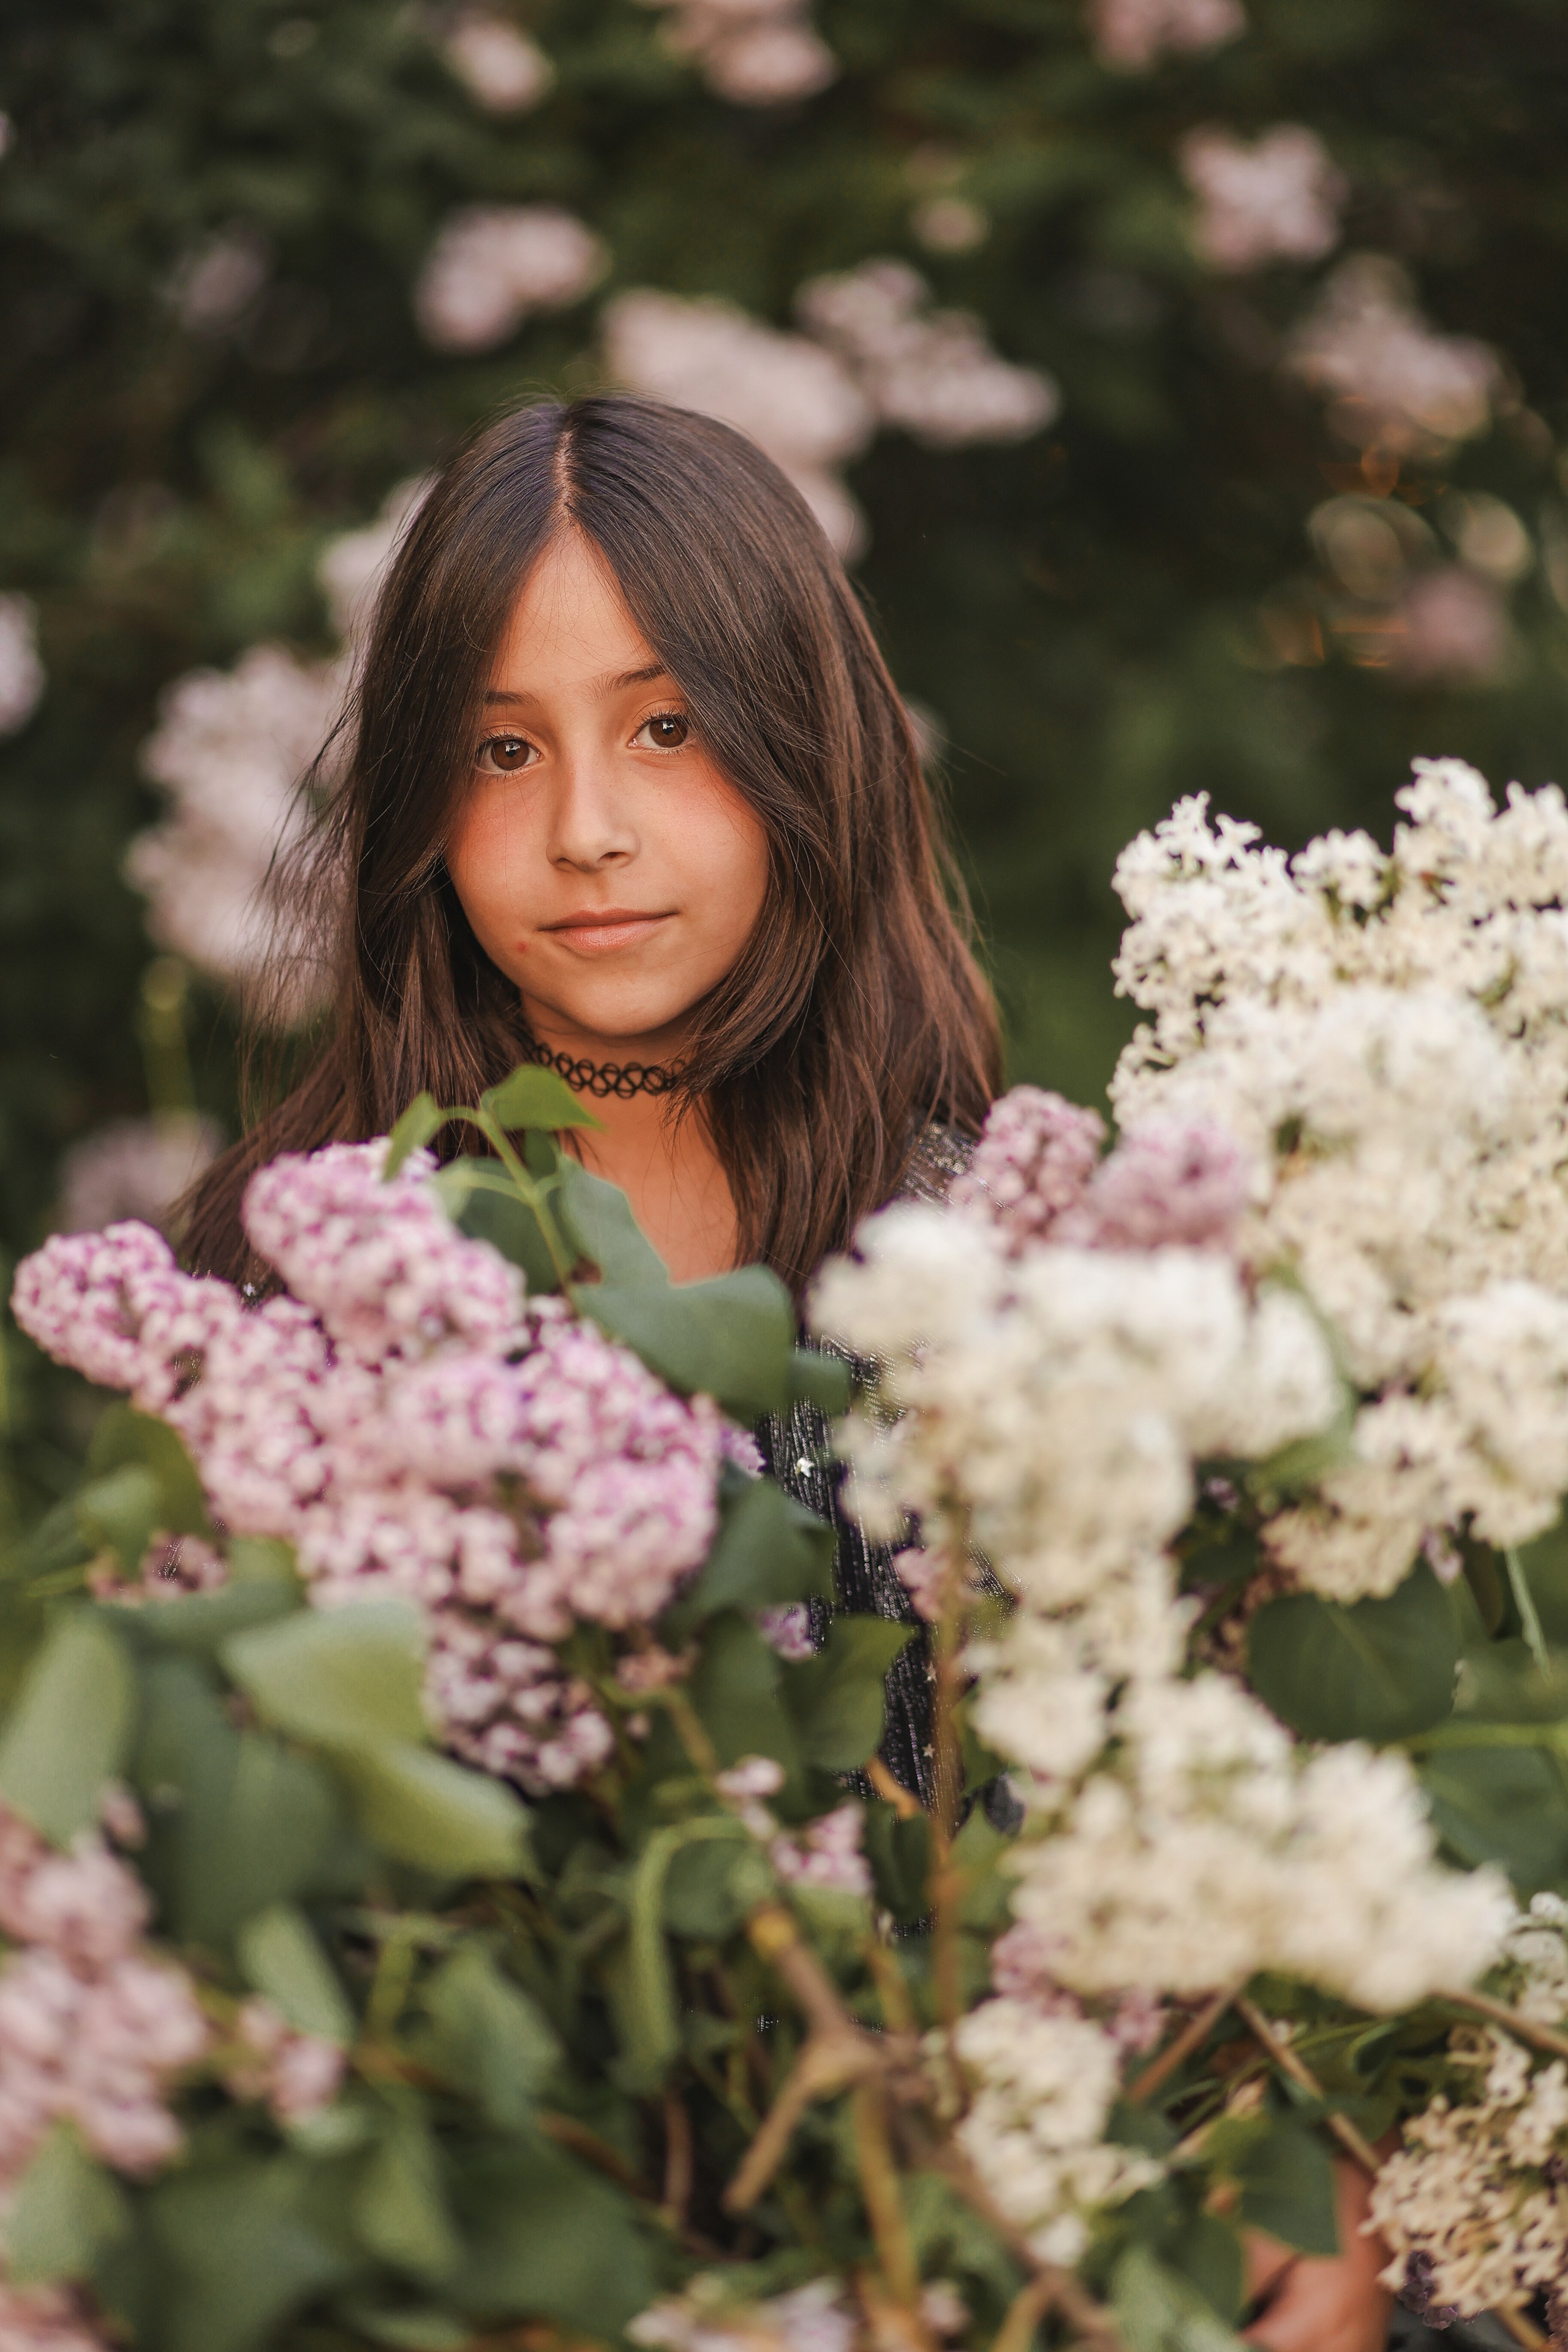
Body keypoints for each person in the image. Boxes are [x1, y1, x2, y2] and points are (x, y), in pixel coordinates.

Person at [182, 393, 1390, 2352]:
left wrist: (1306, 2174)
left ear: (802, 747)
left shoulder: (1009, 1269)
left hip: (1029, 2257)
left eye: (667, 728)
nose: (588, 826)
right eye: (503, 749)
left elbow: (1239, 1793)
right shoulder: (296, 1294)